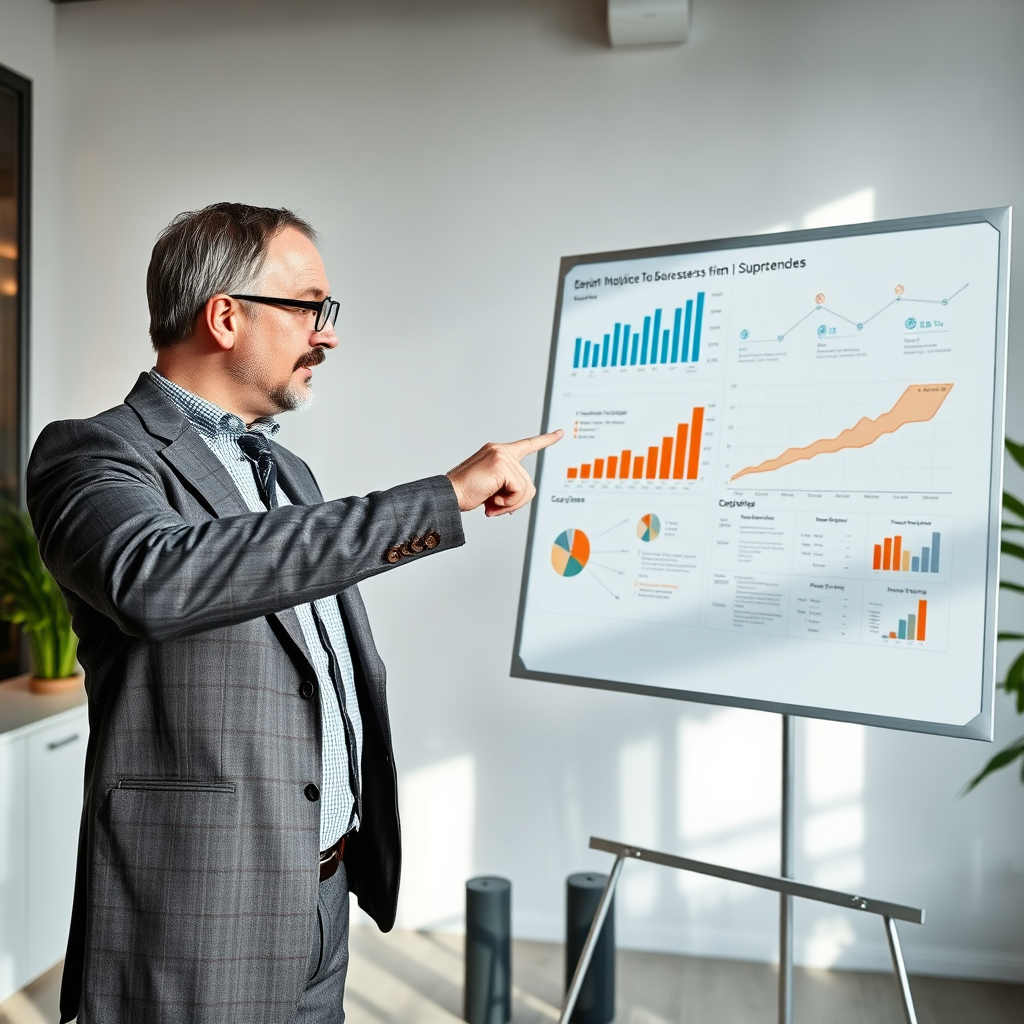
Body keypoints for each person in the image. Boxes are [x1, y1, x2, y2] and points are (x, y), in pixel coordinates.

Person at [27, 202, 561, 1024]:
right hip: (196, 917)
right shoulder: (93, 453)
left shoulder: (289, 472)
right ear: (226, 315)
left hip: (321, 894)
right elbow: (154, 578)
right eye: (310, 306)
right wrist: (437, 500)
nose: (329, 333)